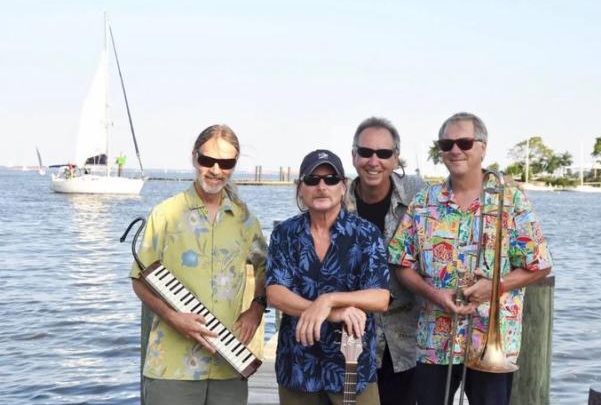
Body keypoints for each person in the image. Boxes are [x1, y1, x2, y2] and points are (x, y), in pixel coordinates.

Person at [388, 112, 553, 405]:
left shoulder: (511, 200)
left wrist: (496, 286)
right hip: (435, 339)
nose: (454, 150)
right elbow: (401, 263)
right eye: (446, 143)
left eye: (464, 142)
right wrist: (434, 295)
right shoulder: (424, 202)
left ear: (482, 147)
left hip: (491, 344)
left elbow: (539, 265)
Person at [129, 124, 268, 405]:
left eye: (226, 163)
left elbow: (266, 268)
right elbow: (139, 280)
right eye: (208, 160)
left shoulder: (245, 221)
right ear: (194, 158)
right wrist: (173, 318)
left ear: (234, 165)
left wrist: (256, 309)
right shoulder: (165, 214)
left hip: (228, 363)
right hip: (171, 365)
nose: (216, 170)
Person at [266, 149, 390, 405]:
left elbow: (380, 297)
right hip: (298, 366)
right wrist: (333, 313)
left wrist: (328, 300)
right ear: (300, 188)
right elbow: (276, 292)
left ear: (343, 187)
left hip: (352, 367)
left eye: (331, 179)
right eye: (312, 180)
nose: (321, 186)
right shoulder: (284, 234)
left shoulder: (366, 234)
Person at [347, 117, 426, 405]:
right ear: (354, 156)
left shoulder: (420, 195)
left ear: (396, 158)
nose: (374, 161)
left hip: (405, 340)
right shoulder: (334, 199)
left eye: (384, 153)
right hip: (349, 338)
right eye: (366, 152)